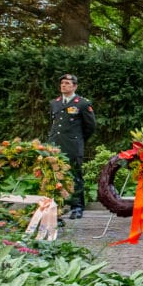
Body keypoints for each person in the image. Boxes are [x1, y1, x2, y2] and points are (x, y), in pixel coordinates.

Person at [47, 74, 96, 219]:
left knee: (75, 176)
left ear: (75, 86)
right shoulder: (54, 103)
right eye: (62, 83)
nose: (64, 85)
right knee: (55, 176)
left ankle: (77, 207)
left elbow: (90, 126)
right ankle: (57, 206)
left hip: (73, 146)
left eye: (67, 83)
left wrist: (78, 139)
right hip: (55, 145)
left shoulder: (82, 104)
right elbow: (53, 123)